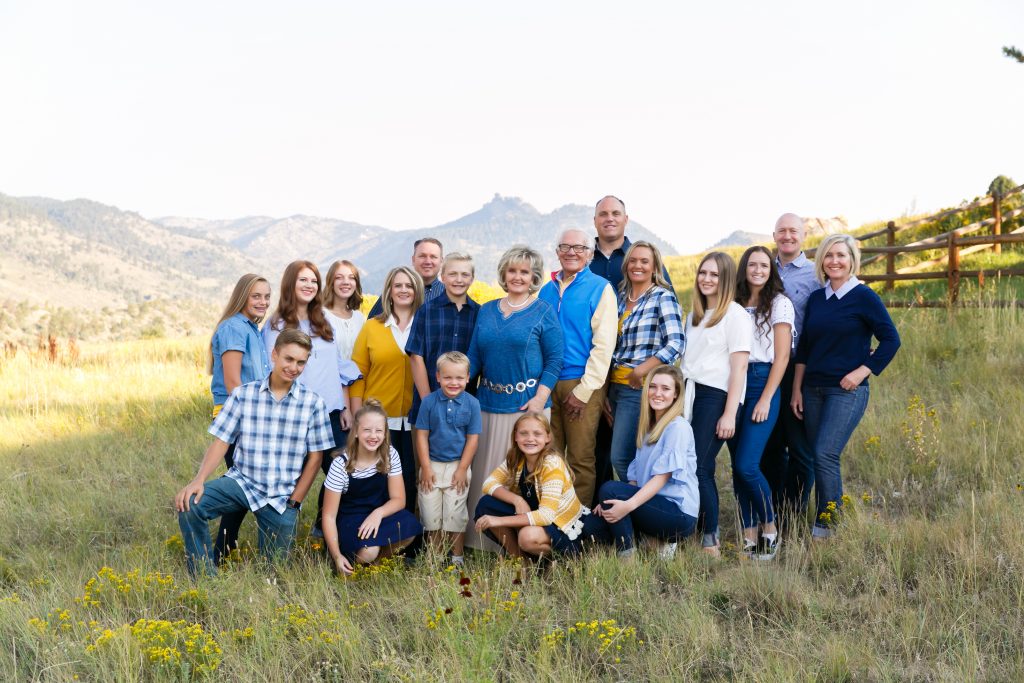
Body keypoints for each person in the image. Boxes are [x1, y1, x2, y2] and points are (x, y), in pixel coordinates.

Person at [175, 329, 333, 577]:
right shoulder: (244, 395)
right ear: (274, 354)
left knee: (274, 575)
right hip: (242, 482)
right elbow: (221, 440)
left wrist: (295, 502)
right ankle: (205, 578)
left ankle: (270, 571)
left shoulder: (313, 404)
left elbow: (316, 458)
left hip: (281, 496)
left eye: (301, 362)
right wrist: (198, 480)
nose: (294, 367)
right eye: (288, 359)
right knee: (190, 504)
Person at [792, 234, 900, 539]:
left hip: (847, 391)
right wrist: (796, 389)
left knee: (826, 452)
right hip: (812, 389)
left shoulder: (864, 297)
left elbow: (891, 339)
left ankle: (827, 527)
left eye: (841, 255)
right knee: (816, 455)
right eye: (829, 256)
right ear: (821, 262)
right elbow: (806, 349)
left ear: (852, 259)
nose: (835, 261)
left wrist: (862, 371)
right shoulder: (817, 298)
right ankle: (822, 520)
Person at [465, 245, 564, 550]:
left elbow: (555, 359)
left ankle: (522, 543)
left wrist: (539, 399)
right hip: (486, 405)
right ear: (504, 274)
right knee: (485, 476)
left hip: (527, 410)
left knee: (520, 479)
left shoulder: (543, 311)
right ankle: (479, 542)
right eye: (513, 271)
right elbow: (474, 357)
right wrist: (452, 387)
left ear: (534, 277)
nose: (518, 277)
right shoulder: (487, 310)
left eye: (525, 272)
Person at [537, 228, 617, 506]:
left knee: (581, 458)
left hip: (581, 382)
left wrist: (584, 391)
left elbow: (604, 345)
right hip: (547, 384)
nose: (571, 252)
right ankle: (551, 515)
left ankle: (577, 524)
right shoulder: (546, 290)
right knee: (550, 456)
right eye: (565, 247)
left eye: (579, 248)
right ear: (557, 252)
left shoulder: (600, 288)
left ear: (589, 254)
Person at [681, 252, 751, 556]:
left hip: (716, 395)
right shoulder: (694, 315)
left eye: (715, 275)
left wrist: (729, 413)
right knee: (686, 463)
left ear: (726, 280)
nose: (707, 279)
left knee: (701, 466)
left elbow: (739, 368)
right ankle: (692, 529)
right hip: (689, 392)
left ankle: (710, 538)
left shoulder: (735, 315)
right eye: (703, 273)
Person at [727, 246, 793, 560]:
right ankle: (749, 534)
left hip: (762, 381)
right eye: (752, 264)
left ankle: (770, 526)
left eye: (764, 265)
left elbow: (782, 358)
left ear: (771, 270)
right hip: (733, 383)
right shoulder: (733, 302)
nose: (757, 270)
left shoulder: (780, 304)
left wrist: (766, 398)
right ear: (744, 269)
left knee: (747, 464)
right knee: (737, 468)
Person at [595, 365, 698, 559]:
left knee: (609, 489)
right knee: (597, 520)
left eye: (666, 389)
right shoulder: (648, 427)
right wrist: (611, 501)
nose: (658, 393)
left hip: (678, 513)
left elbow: (661, 479)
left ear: (676, 394)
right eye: (653, 386)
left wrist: (627, 504)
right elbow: (634, 481)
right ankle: (650, 542)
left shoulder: (678, 427)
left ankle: (628, 559)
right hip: (652, 505)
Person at [473, 413, 608, 559]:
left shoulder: (552, 464)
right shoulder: (517, 458)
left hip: (560, 524)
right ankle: (520, 560)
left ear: (547, 438)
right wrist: (517, 500)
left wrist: (498, 520)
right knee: (486, 504)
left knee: (527, 537)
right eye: (524, 433)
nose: (530, 439)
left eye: (537, 434)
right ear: (515, 437)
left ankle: (565, 558)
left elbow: (546, 516)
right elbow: (488, 484)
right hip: (537, 516)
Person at [605, 241, 684, 482]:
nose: (637, 265)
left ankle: (640, 508)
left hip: (638, 388)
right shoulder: (619, 297)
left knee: (620, 457)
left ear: (654, 267)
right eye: (633, 260)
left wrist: (641, 371)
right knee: (631, 456)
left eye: (644, 261)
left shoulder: (662, 297)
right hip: (614, 388)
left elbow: (676, 343)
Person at [207, 273, 272, 563]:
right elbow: (234, 384)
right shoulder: (234, 328)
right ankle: (220, 549)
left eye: (267, 296)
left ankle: (224, 547)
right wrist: (253, 423)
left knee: (243, 481)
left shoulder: (252, 330)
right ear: (242, 296)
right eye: (256, 296)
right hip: (238, 418)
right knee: (243, 482)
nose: (263, 302)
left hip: (251, 416)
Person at [761, 213, 821, 520]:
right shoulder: (761, 268)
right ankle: (772, 507)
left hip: (799, 367)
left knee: (800, 446)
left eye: (793, 231)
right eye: (782, 231)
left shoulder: (814, 274)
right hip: (764, 366)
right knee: (769, 443)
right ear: (774, 235)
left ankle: (793, 510)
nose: (787, 236)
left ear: (803, 236)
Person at [350, 266, 423, 514]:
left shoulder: (425, 325)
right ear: (389, 291)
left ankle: (410, 539)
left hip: (416, 420)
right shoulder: (372, 327)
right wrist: (357, 414)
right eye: (398, 285)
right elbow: (358, 374)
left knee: (412, 479)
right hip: (379, 420)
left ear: (417, 290)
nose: (404, 290)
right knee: (379, 480)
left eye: (409, 285)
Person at [321, 399, 423, 574]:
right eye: (367, 430)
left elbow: (399, 500)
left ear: (385, 434)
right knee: (370, 550)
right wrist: (336, 555)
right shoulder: (341, 464)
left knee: (409, 528)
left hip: (377, 515)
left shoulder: (389, 455)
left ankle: (375, 567)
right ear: (356, 433)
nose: (373, 436)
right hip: (349, 519)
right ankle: (350, 563)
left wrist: (378, 514)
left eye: (378, 431)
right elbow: (329, 516)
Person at [262, 260, 351, 449]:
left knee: (345, 475)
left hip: (332, 414)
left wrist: (346, 408)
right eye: (303, 280)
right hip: (295, 415)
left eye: (314, 281)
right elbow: (273, 373)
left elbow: (338, 368)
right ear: (290, 283)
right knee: (298, 476)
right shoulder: (276, 326)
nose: (309, 285)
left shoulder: (324, 322)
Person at [414, 352, 481, 565]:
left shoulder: (472, 404)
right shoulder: (429, 402)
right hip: (431, 465)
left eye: (459, 378)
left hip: (457, 467)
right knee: (430, 515)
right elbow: (422, 435)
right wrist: (425, 467)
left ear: (468, 378)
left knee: (456, 514)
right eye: (448, 377)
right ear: (438, 377)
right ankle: (434, 558)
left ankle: (457, 557)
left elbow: (472, 439)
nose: (454, 383)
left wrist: (463, 469)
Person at [407, 252, 480, 424]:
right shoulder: (426, 311)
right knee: (423, 451)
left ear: (472, 278)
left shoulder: (480, 314)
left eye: (465, 274)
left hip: (465, 408)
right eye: (453, 274)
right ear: (442, 276)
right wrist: (429, 403)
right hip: (427, 403)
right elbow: (415, 357)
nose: (459, 280)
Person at [588, 195, 674, 291]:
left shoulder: (648, 258)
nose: (609, 218)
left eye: (616, 213)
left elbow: (670, 301)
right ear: (595, 221)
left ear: (625, 220)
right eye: (603, 214)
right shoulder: (581, 260)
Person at [367, 237, 445, 318]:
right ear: (413, 259)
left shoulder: (450, 295)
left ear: (441, 261)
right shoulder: (393, 292)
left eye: (433, 257)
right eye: (422, 256)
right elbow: (372, 323)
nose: (428, 261)